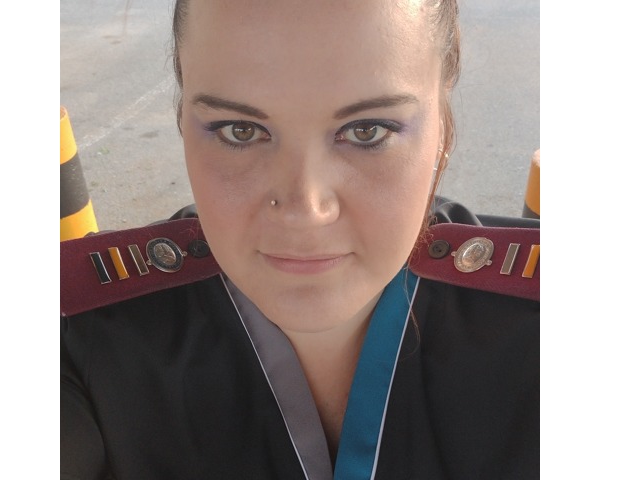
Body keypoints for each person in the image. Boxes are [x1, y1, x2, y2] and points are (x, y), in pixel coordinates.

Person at [60, 0, 539, 478]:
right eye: (240, 130)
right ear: (183, 117)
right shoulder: (82, 342)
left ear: (442, 118)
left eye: (367, 130)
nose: (304, 210)